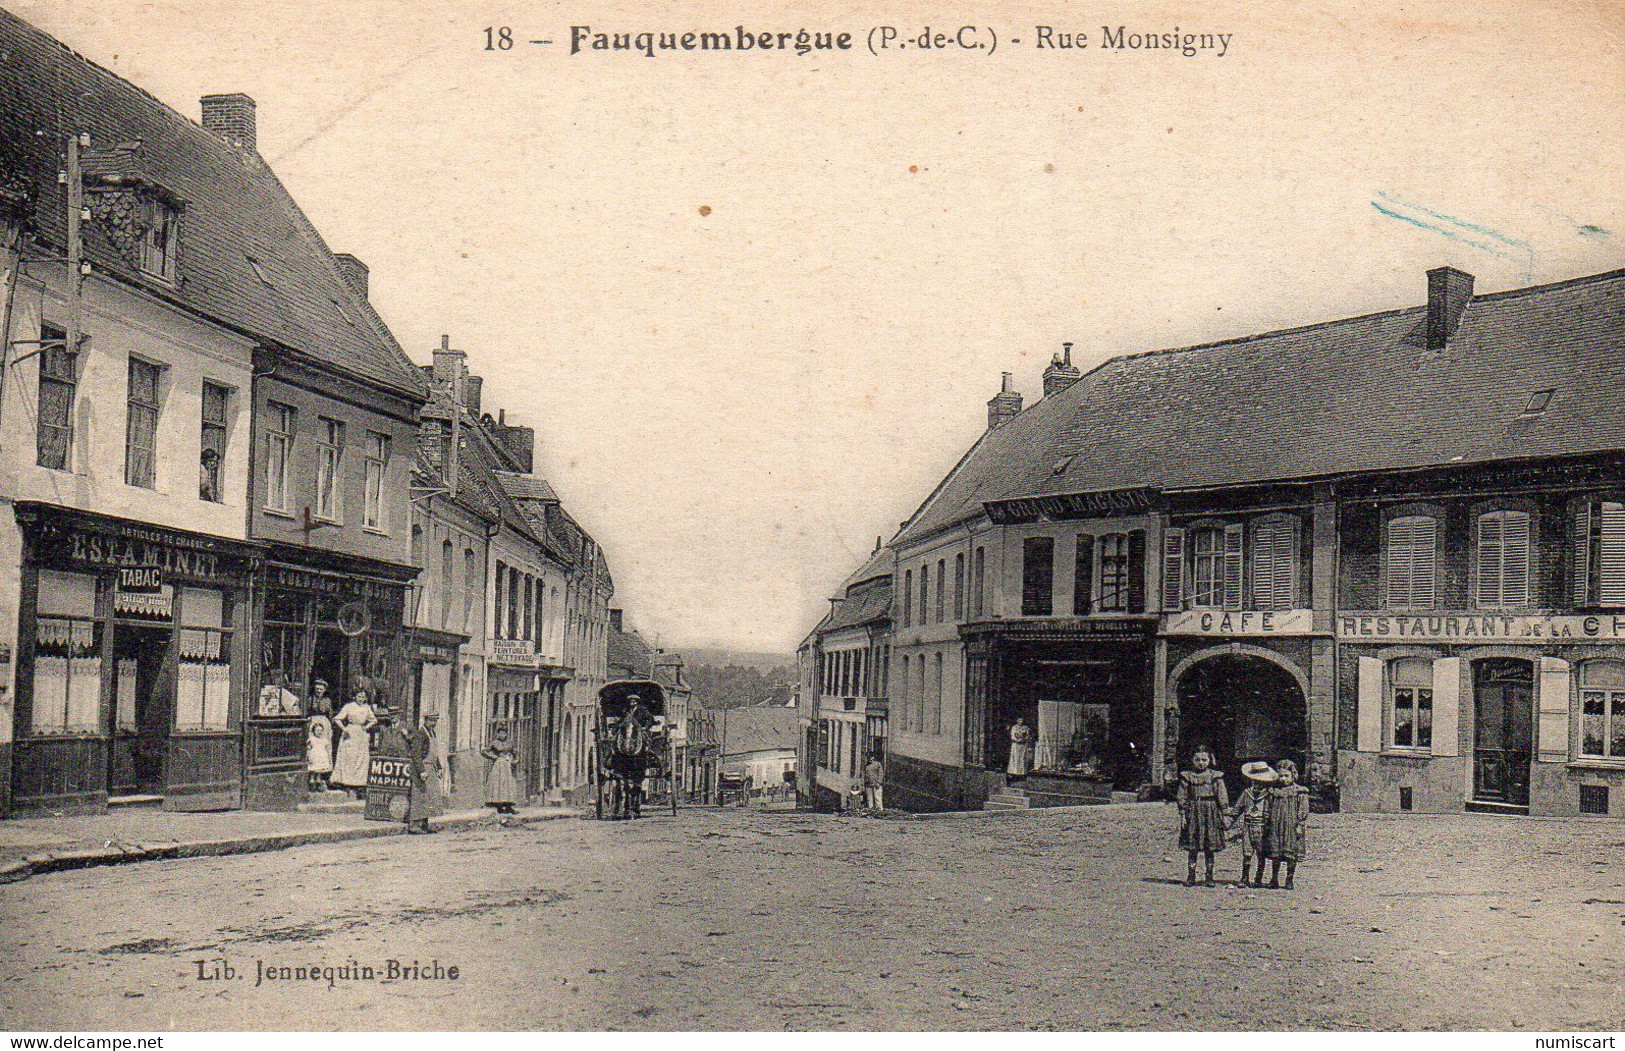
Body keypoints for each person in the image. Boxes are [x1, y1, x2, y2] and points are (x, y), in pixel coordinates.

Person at [1176, 745, 1229, 887]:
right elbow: (1182, 796)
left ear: (1210, 760)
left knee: (1209, 845)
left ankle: (1209, 876)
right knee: (1193, 845)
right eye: (1197, 759)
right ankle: (1191, 876)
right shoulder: (1187, 776)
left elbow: (1222, 796)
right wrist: (1182, 814)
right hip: (1193, 811)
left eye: (1204, 760)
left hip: (1210, 811)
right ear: (1192, 760)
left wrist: (1224, 814)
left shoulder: (1215, 776)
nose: (1201, 763)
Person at [1261, 758, 1311, 889]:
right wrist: (1266, 821)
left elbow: (1303, 809)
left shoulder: (1300, 791)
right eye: (1280, 776)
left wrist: (1300, 823)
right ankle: (1274, 878)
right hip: (1275, 825)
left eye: (1286, 776)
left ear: (1293, 775)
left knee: (1291, 853)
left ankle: (1289, 879)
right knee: (1275, 852)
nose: (1283, 779)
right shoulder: (1273, 791)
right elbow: (1267, 807)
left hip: (1291, 826)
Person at [1227, 761, 1277, 887]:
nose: (1257, 784)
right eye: (1255, 781)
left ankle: (1258, 879)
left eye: (1260, 781)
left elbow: (1272, 811)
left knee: (1261, 854)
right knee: (1247, 853)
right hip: (1248, 826)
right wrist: (1229, 821)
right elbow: (1238, 808)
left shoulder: (1269, 795)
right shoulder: (1246, 793)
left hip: (1262, 827)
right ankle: (1244, 878)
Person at [331, 686, 378, 798]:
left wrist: (366, 727)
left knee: (360, 759)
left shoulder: (367, 708)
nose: (361, 699)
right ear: (354, 697)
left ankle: (359, 784)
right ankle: (347, 784)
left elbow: (374, 720)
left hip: (361, 734)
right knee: (350, 758)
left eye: (363, 697)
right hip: (350, 733)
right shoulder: (349, 706)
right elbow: (337, 719)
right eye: (359, 696)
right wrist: (344, 729)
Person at [406, 712, 445, 834]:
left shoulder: (432, 733)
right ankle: (414, 825)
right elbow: (415, 754)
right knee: (419, 796)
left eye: (435, 721)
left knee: (428, 797)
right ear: (426, 720)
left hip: (430, 767)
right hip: (422, 768)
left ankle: (424, 823)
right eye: (431, 721)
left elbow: (433, 753)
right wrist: (421, 771)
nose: (433, 723)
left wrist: (438, 767)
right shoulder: (420, 734)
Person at [482, 723, 520, 815]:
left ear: (506, 734)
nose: (502, 735)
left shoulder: (510, 743)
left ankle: (508, 806)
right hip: (498, 766)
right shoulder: (494, 743)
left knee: (508, 785)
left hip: (507, 765)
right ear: (498, 734)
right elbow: (484, 751)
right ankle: (499, 806)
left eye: (504, 733)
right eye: (500, 733)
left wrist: (515, 761)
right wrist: (493, 757)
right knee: (498, 784)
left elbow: (516, 754)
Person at [305, 695, 335, 792]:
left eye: (321, 689)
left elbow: (330, 713)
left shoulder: (327, 700)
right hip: (313, 720)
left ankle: (321, 779)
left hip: (323, 722)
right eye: (317, 689)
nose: (319, 691)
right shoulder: (311, 699)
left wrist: (330, 722)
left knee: (323, 743)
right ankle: (312, 781)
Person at [1007, 717, 1034, 782]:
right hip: (1016, 745)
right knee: (1015, 758)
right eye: (1019, 720)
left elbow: (1028, 735)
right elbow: (1012, 735)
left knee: (1022, 758)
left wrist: (1023, 739)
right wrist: (1017, 740)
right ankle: (1014, 773)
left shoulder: (1026, 728)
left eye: (1022, 720)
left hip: (1023, 745)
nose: (1020, 721)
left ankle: (1022, 773)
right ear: (1017, 721)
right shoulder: (1014, 727)